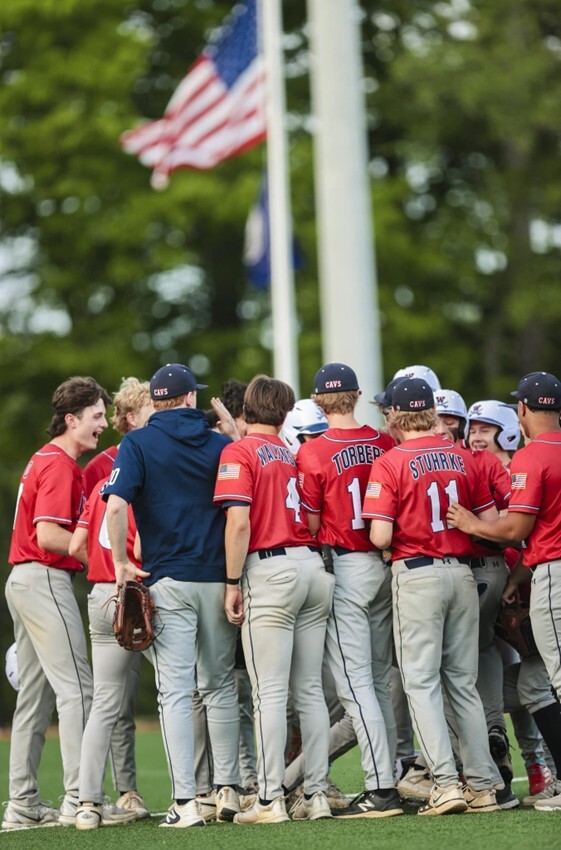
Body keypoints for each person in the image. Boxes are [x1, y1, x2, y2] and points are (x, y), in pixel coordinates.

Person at [104, 363, 241, 828]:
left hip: (169, 579)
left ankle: (186, 801)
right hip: (219, 577)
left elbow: (117, 503)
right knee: (220, 687)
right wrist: (229, 426)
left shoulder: (137, 442)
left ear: (157, 401)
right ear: (188, 399)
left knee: (176, 691)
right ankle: (228, 790)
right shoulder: (222, 443)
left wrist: (122, 565)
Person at [363, 377, 499, 815]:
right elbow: (491, 521)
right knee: (462, 683)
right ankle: (483, 785)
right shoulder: (464, 457)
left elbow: (380, 532)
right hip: (462, 572)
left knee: (420, 682)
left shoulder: (390, 460)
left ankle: (445, 782)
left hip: (417, 572)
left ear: (398, 414)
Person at [213, 375, 335, 824]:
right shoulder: (291, 451)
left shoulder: (238, 451)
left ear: (247, 408)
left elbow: (239, 523)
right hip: (312, 566)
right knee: (310, 692)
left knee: (269, 694)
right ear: (284, 413)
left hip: (271, 568)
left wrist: (230, 582)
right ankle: (317, 795)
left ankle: (269, 799)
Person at [448, 371, 561, 812]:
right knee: (538, 682)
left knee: (555, 678)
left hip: (554, 569)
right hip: (542, 566)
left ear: (523, 411)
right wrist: (519, 576)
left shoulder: (533, 458)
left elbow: (515, 528)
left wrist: (472, 524)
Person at [3, 377, 111, 830]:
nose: (103, 425)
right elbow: (48, 535)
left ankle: (23, 804)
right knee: (79, 691)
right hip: (44, 577)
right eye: (97, 416)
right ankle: (78, 798)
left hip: (23, 580)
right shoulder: (62, 464)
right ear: (72, 418)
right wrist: (98, 555)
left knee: (34, 698)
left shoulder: (44, 458)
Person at [296, 363, 402, 819]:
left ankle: (381, 787)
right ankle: (391, 774)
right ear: (357, 395)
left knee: (357, 689)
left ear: (319, 400)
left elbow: (313, 522)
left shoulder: (313, 451)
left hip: (346, 565)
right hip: (386, 563)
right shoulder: (382, 441)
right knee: (377, 682)